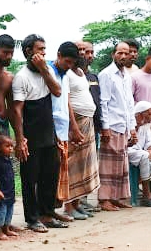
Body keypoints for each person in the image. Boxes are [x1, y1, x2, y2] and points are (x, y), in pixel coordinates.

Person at [11, 34, 66, 229]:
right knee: (30, 178)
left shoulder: (47, 70)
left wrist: (44, 69)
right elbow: (17, 110)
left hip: (48, 131)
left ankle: (47, 213)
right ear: (28, 52)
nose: (43, 53)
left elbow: (57, 91)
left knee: (50, 174)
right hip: (31, 134)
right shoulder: (21, 77)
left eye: (44, 49)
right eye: (39, 49)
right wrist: (20, 139)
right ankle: (32, 218)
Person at [97, 40, 137, 210]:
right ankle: (104, 199)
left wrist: (132, 127)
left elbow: (129, 103)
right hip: (112, 125)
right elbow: (103, 102)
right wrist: (105, 127)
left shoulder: (127, 76)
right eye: (119, 53)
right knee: (108, 164)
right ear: (113, 54)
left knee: (121, 163)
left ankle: (117, 197)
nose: (123, 56)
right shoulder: (106, 74)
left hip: (124, 125)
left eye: (126, 53)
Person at [62, 40, 101, 218]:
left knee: (84, 166)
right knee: (72, 164)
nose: (83, 54)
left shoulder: (81, 73)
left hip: (88, 121)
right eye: (80, 51)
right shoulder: (67, 74)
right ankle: (69, 207)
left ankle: (78, 205)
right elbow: (67, 101)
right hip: (76, 122)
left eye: (85, 51)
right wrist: (73, 127)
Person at [49, 42, 84, 221]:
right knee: (49, 173)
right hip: (51, 128)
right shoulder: (48, 72)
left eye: (72, 63)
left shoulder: (65, 74)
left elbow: (66, 102)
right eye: (67, 61)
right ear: (59, 55)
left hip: (63, 129)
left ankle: (53, 210)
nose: (69, 66)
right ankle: (45, 212)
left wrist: (73, 127)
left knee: (59, 172)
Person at [128, 101, 151, 207]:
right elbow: (127, 144)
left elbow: (150, 142)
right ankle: (146, 195)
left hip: (141, 151)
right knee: (144, 156)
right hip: (129, 151)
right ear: (140, 114)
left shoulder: (146, 125)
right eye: (149, 114)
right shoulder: (130, 124)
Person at [0, 135, 19, 240]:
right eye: (7, 146)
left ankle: (7, 229)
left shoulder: (8, 159)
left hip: (9, 192)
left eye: (11, 146)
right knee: (0, 212)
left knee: (9, 212)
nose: (10, 148)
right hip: (0, 193)